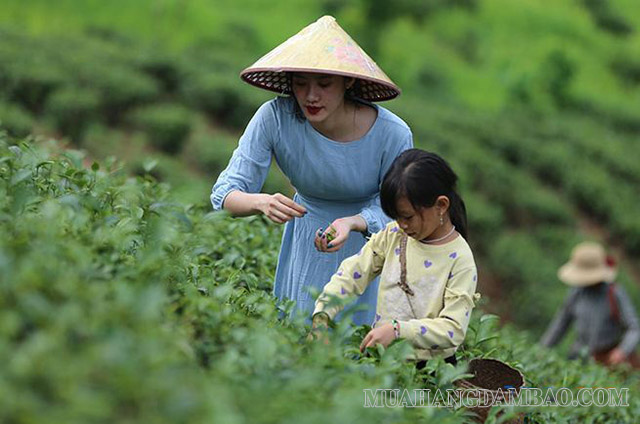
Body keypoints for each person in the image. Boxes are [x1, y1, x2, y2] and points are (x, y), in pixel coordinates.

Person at [211, 16, 413, 325]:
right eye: (301, 83)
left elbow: (400, 211)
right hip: (305, 242)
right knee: (299, 334)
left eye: (324, 84)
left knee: (356, 345)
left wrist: (354, 222)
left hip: (367, 248)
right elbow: (225, 193)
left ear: (348, 82)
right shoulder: (274, 118)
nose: (310, 96)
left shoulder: (392, 134)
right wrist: (260, 202)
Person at [310, 149, 480, 363]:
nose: (403, 225)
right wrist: (322, 315)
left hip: (430, 369)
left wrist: (398, 331)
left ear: (441, 205)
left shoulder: (459, 259)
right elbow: (352, 274)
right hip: (383, 358)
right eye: (397, 217)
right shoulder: (394, 235)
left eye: (408, 216)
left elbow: (453, 329)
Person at [540, 241, 640, 368]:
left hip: (609, 358)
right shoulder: (576, 293)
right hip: (581, 357)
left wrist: (622, 351)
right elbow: (560, 324)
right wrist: (541, 350)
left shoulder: (614, 293)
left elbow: (634, 328)